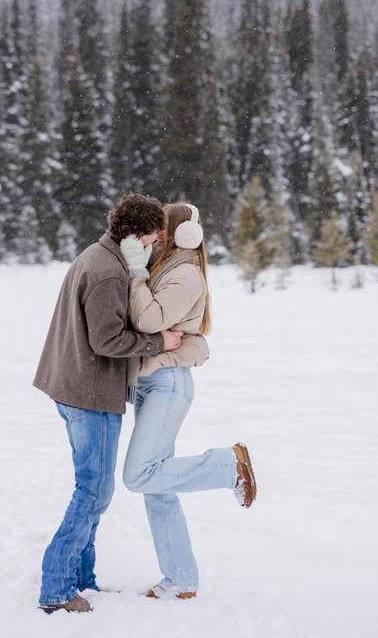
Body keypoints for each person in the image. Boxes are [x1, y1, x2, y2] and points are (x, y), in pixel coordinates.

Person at [31, 194, 186, 615]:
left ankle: (82, 581)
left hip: (73, 386)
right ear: (138, 236)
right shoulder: (108, 274)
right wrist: (160, 341)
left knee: (93, 488)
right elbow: (107, 340)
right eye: (156, 237)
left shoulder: (99, 255)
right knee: (93, 491)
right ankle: (57, 588)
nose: (158, 244)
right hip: (89, 393)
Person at [120, 202, 257, 601]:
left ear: (183, 234)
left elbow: (147, 321)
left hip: (168, 384)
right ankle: (180, 578)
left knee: (139, 474)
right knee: (157, 486)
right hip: (152, 382)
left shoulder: (184, 274)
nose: (156, 235)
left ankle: (228, 464)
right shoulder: (167, 268)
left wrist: (135, 272)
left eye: (162, 228)